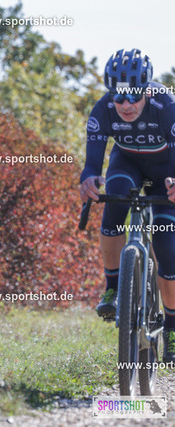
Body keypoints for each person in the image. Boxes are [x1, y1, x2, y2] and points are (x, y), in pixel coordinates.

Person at [79, 49, 175, 361]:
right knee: (115, 201)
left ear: (146, 90)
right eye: (118, 97)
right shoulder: (103, 110)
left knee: (167, 246)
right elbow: (92, 164)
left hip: (166, 172)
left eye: (133, 96)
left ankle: (172, 329)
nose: (125, 105)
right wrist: (88, 180)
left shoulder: (166, 106)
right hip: (127, 164)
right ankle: (113, 288)